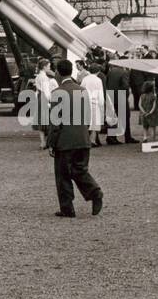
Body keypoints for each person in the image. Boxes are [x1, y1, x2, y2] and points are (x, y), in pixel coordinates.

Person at [45, 59, 103, 218]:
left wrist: (51, 142)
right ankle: (95, 192)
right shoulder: (83, 90)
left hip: (65, 140)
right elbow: (88, 115)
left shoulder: (57, 93)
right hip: (82, 137)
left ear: (57, 72)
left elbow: (55, 122)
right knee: (80, 170)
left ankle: (67, 208)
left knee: (63, 175)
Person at [80, 58, 106, 148]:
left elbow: (81, 90)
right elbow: (100, 93)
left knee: (86, 122)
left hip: (86, 102)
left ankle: (85, 139)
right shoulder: (98, 80)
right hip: (95, 102)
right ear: (98, 71)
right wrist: (102, 104)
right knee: (95, 123)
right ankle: (92, 140)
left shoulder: (85, 79)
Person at [32, 58, 55, 149]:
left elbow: (37, 90)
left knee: (41, 121)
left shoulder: (38, 76)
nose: (49, 68)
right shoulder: (44, 77)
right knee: (48, 121)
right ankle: (48, 142)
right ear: (45, 67)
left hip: (39, 97)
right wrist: (50, 101)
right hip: (44, 98)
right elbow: (46, 91)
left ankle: (42, 142)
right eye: (48, 66)